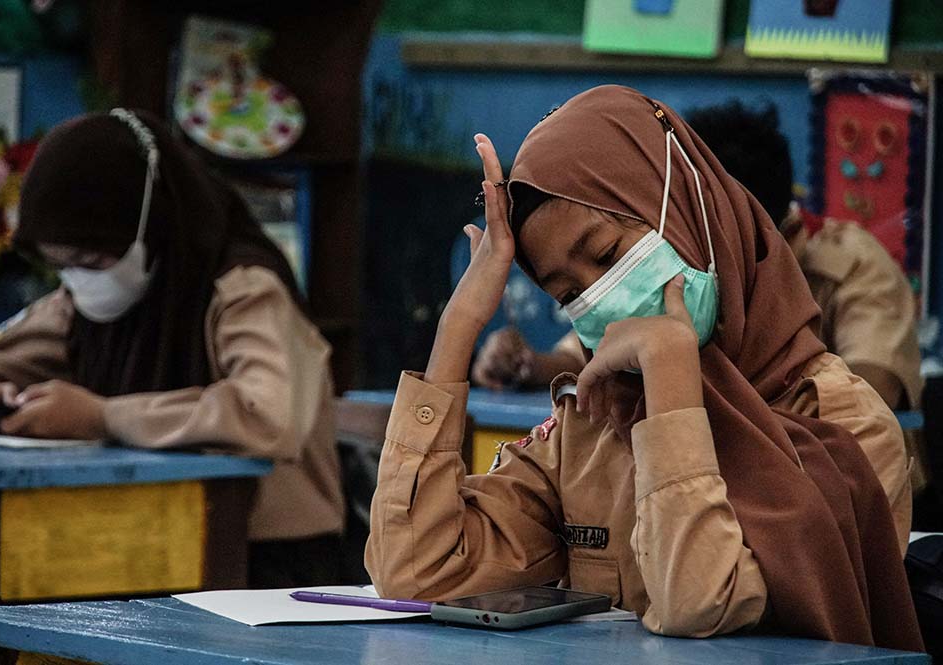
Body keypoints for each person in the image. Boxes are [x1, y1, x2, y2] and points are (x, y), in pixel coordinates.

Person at [366, 86, 922, 649]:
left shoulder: (849, 428)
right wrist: (457, 329)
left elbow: (695, 605)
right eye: (569, 294)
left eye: (607, 255)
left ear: (692, 214)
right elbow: (416, 570)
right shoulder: (592, 426)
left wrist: (673, 378)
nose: (601, 297)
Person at [0, 109, 345, 588]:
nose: (79, 281)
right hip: (146, 541)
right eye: (61, 267)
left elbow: (268, 415)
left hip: (270, 562)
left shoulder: (245, 290)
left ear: (151, 228)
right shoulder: (83, 302)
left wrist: (101, 417)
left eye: (91, 260)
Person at [476, 101, 923, 414]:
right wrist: (530, 364)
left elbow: (873, 388)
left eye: (606, 253)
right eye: (568, 293)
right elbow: (592, 352)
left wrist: (707, 392)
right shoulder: (655, 270)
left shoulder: (854, 265)